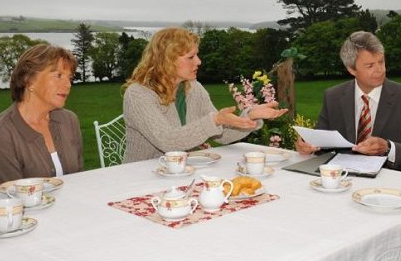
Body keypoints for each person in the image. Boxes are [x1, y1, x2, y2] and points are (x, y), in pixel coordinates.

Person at [295, 31, 401, 261]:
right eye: (370, 65)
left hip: (390, 194)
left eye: (381, 62)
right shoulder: (334, 97)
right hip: (342, 192)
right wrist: (312, 146)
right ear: (351, 69)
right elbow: (325, 143)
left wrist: (388, 147)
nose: (379, 71)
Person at [123, 27, 287, 163]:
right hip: (141, 176)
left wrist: (251, 115)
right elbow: (168, 141)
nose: (199, 61)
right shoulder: (138, 94)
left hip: (182, 173)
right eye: (191, 57)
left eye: (197, 55)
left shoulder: (193, 88)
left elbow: (222, 134)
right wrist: (215, 119)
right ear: (167, 60)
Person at [0, 44, 83, 188]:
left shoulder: (69, 121)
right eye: (58, 75)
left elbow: (80, 179)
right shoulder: (3, 133)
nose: (68, 84)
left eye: (70, 78)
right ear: (29, 80)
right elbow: (8, 197)